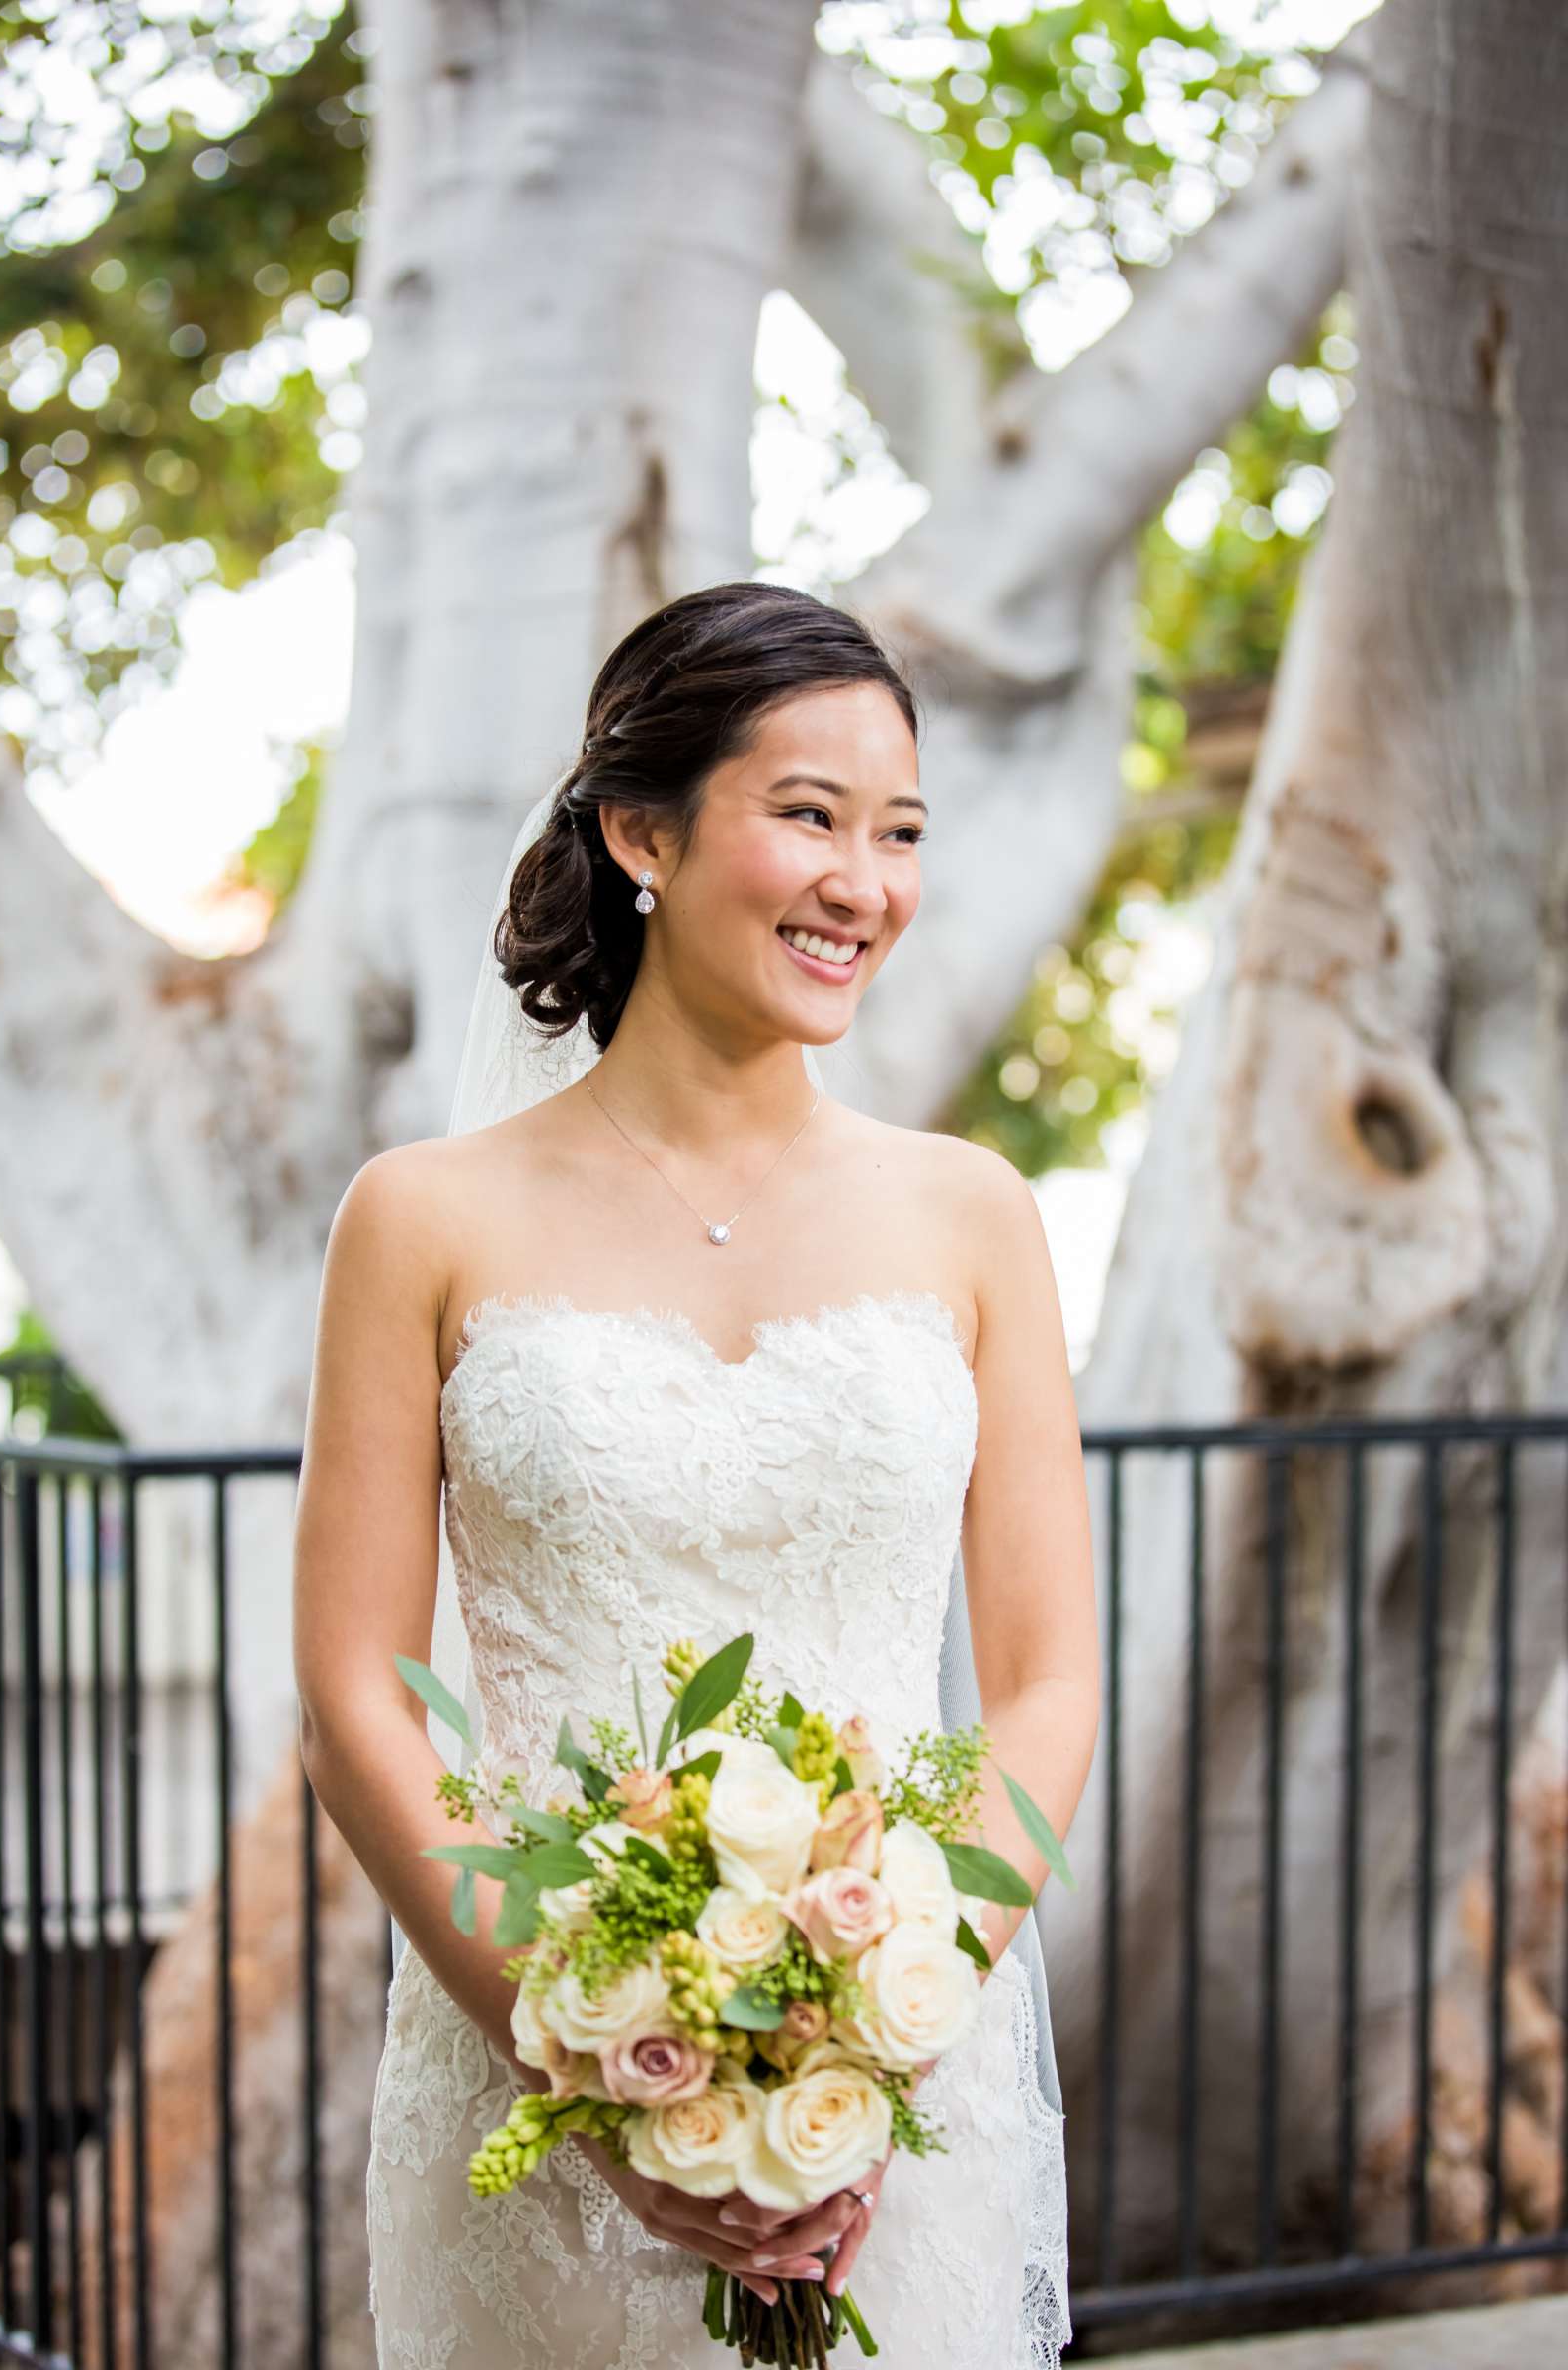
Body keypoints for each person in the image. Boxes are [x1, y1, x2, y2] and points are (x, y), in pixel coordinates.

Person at [292, 580, 1098, 2366]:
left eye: (898, 834)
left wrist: (868, 2042)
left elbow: (1048, 1686)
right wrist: (594, 2064)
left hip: (892, 2101)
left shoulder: (975, 1215)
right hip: (532, 2052)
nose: (863, 885)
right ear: (640, 829)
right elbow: (355, 1698)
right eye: (807, 816)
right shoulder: (420, 1219)